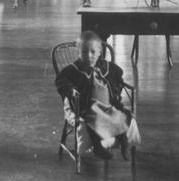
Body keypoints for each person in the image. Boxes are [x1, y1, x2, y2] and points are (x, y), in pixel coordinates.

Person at [55, 31, 140, 160]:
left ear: (100, 52)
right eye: (84, 52)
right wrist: (70, 89)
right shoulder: (74, 69)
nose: (89, 56)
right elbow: (60, 81)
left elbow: (117, 75)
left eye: (93, 52)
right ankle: (98, 146)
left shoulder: (105, 66)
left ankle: (123, 140)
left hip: (107, 104)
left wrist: (117, 85)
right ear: (78, 53)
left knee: (122, 115)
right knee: (94, 118)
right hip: (86, 105)